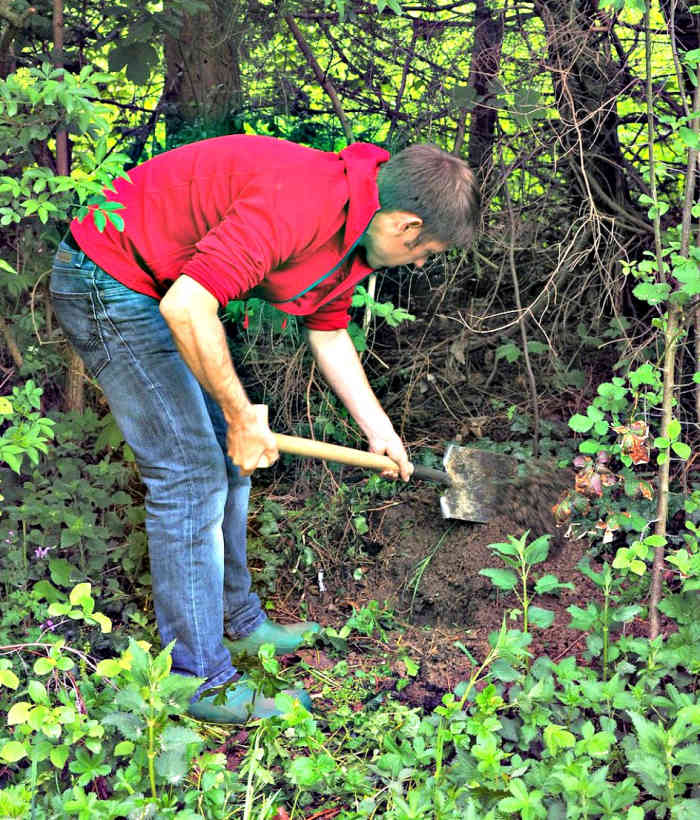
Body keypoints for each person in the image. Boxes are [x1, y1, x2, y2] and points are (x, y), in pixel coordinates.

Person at [50, 135, 480, 723]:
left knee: (229, 462)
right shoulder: (302, 201)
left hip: (157, 290)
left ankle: (238, 622)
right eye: (426, 251)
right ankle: (196, 678)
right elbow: (186, 308)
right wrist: (239, 416)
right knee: (190, 475)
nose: (422, 263)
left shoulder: (354, 229)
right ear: (406, 227)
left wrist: (380, 430)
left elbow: (328, 333)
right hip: (107, 279)